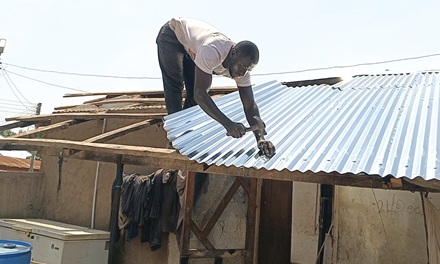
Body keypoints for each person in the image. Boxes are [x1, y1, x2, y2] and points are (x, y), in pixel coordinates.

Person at [156, 17, 275, 158]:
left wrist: (260, 138)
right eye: (242, 67)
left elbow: (250, 106)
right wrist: (228, 124)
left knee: (193, 96)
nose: (242, 73)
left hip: (193, 48)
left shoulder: (242, 71)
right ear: (233, 53)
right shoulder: (212, 50)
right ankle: (176, 135)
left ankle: (186, 134)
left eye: (247, 69)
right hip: (173, 35)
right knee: (176, 86)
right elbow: (200, 94)